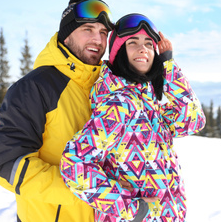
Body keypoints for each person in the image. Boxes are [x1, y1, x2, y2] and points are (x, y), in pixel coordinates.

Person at [59, 13, 206, 221]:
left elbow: (192, 120)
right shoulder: (119, 105)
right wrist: (130, 208)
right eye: (133, 43)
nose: (143, 48)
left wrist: (168, 66)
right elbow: (74, 164)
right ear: (119, 52)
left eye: (148, 43)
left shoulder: (146, 105)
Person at [0, 0, 114, 222]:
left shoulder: (108, 89)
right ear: (66, 36)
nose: (98, 39)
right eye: (88, 29)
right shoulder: (36, 87)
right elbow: (8, 163)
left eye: (103, 32)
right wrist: (85, 192)